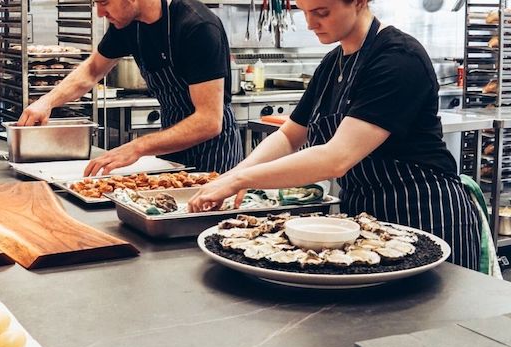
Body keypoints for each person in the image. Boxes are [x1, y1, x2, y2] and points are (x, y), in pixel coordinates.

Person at [188, 0, 482, 270]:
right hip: (364, 219)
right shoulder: (333, 64)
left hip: (423, 212)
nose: (310, 23)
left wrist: (243, 180)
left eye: (321, 12)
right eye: (304, 11)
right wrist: (232, 176)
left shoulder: (398, 58)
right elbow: (290, 135)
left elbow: (336, 158)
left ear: (358, 1)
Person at [17, 0, 243, 175]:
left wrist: (137, 147)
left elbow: (208, 121)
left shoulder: (197, 26)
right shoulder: (128, 25)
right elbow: (92, 70)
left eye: (104, 2)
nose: (99, 13)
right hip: (170, 148)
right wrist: (47, 102)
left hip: (213, 154)